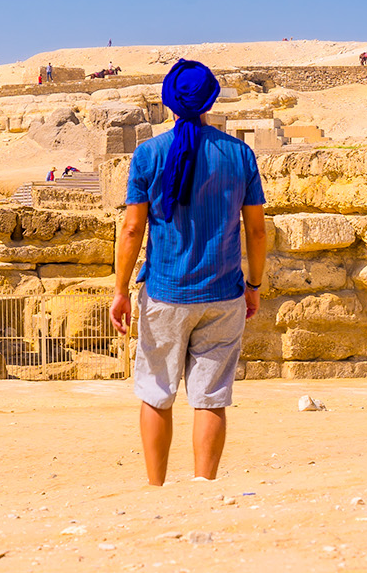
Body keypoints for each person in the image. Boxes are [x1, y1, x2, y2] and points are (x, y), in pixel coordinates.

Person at [110, 60, 267, 486]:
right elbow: (256, 230)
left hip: (165, 291)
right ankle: (203, 488)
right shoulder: (239, 155)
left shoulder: (149, 154)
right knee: (210, 397)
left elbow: (132, 229)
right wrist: (254, 285)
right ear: (210, 101)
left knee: (156, 393)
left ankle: (156, 487)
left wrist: (120, 290)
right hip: (223, 293)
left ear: (169, 103)